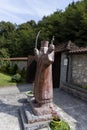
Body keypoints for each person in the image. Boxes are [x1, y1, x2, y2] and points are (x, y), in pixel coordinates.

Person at [34, 40, 55, 105]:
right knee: (38, 86)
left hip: (45, 74)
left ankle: (43, 101)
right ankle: (37, 99)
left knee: (44, 88)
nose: (42, 50)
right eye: (41, 49)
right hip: (39, 73)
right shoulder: (41, 50)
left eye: (43, 49)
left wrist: (49, 51)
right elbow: (38, 60)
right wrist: (36, 53)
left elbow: (47, 60)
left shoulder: (49, 49)